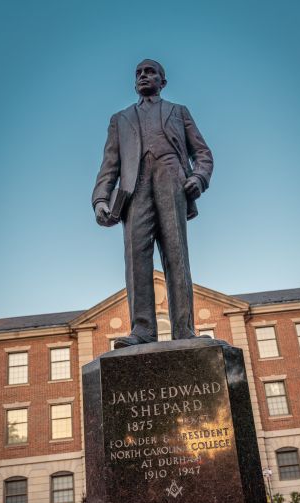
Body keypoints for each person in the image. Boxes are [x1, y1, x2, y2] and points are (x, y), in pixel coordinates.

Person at [92, 59, 213, 348]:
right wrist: (100, 199)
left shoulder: (179, 112)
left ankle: (184, 329)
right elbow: (109, 165)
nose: (143, 76)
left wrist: (199, 177)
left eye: (150, 72)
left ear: (163, 81)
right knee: (136, 259)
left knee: (177, 257)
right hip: (134, 190)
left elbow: (203, 153)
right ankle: (142, 329)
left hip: (172, 184)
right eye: (139, 73)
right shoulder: (119, 119)